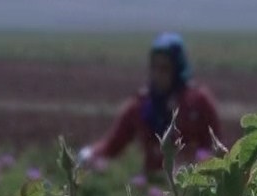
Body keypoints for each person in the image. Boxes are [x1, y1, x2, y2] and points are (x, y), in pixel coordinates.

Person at [78, 33, 221, 173]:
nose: (158, 74)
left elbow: (215, 147)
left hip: (190, 182)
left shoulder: (198, 102)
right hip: (153, 183)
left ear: (177, 68)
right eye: (155, 67)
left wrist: (196, 166)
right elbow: (113, 144)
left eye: (164, 68)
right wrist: (90, 154)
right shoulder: (142, 105)